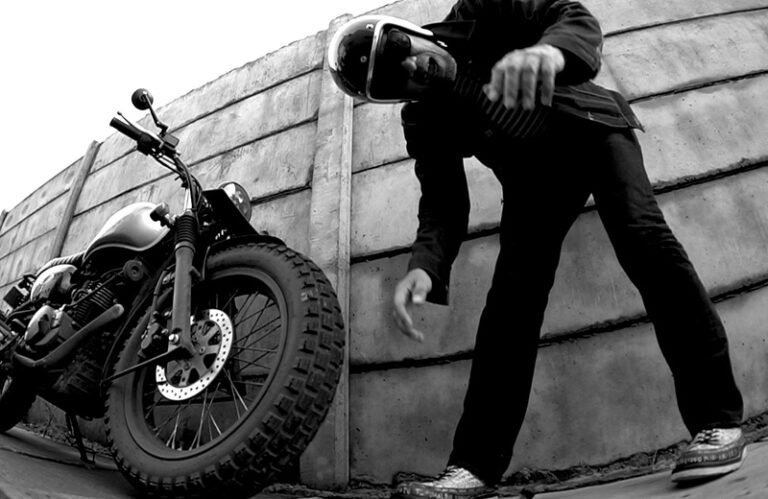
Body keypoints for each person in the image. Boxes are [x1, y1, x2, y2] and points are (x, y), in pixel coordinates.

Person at [327, 1, 747, 498]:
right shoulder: (424, 119)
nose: (414, 67)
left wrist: (550, 53)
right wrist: (425, 266)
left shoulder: (481, 11)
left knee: (644, 239)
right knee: (510, 308)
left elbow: (574, 17)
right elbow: (443, 204)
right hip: (536, 182)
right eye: (395, 79)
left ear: (411, 32)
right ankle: (474, 468)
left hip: (593, 132)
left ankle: (717, 421)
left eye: (403, 48)